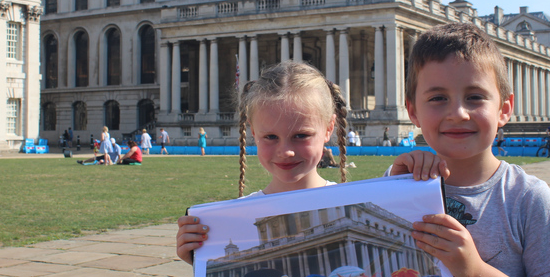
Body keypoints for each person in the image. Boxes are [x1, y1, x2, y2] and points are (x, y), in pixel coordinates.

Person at [387, 23, 550, 277]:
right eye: (438, 98)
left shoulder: (527, 198)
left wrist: (474, 271)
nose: (458, 113)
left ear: (504, 109)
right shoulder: (399, 184)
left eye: (475, 97)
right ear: (413, 111)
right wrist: (393, 188)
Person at [177, 60, 445, 265]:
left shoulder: (360, 201)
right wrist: (201, 260)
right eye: (270, 136)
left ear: (329, 129)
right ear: (253, 131)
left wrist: (413, 175)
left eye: (301, 136)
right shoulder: (235, 218)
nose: (286, 152)